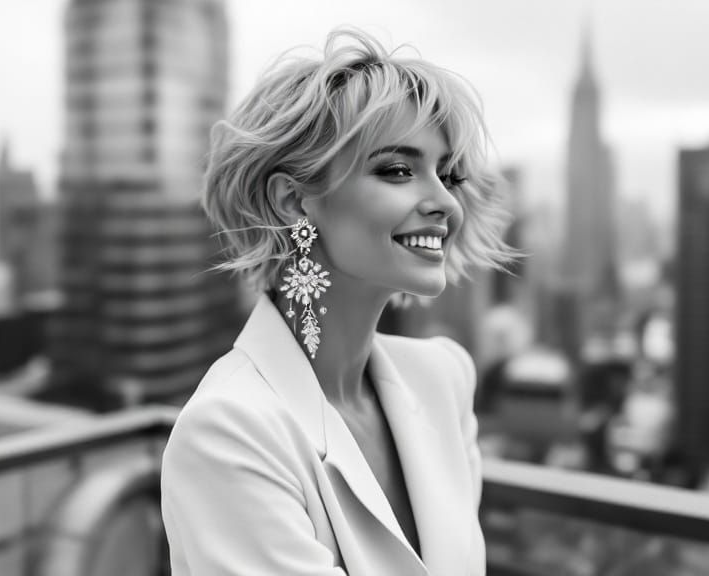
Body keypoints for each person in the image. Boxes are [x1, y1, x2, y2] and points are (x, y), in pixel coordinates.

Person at [160, 28, 514, 576]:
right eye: (398, 170)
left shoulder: (444, 378)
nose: (446, 202)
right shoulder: (227, 432)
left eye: (447, 175)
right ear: (292, 200)